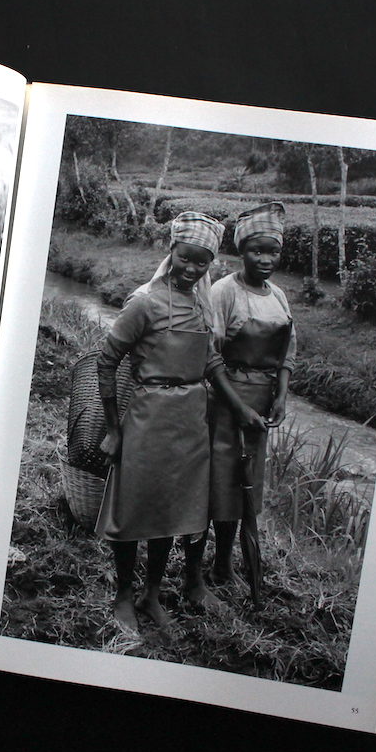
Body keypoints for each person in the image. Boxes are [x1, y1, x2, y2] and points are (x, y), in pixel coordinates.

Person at [96, 211, 265, 631]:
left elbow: (209, 361)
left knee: (170, 513)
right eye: (185, 258)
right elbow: (106, 360)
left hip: (191, 422)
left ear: (211, 264)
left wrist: (240, 407)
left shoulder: (202, 306)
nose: (191, 269)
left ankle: (152, 595)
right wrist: (115, 429)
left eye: (202, 262)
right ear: (171, 251)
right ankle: (123, 596)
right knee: (134, 509)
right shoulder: (144, 302)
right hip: (148, 417)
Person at [207, 202, 296, 587]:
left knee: (249, 485)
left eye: (272, 251)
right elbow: (208, 355)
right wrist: (238, 405)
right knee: (224, 482)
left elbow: (288, 351)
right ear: (241, 251)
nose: (265, 259)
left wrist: (281, 394)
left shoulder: (277, 296)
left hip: (261, 407)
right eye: (257, 251)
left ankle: (231, 562)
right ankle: (214, 566)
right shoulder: (223, 292)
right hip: (227, 402)